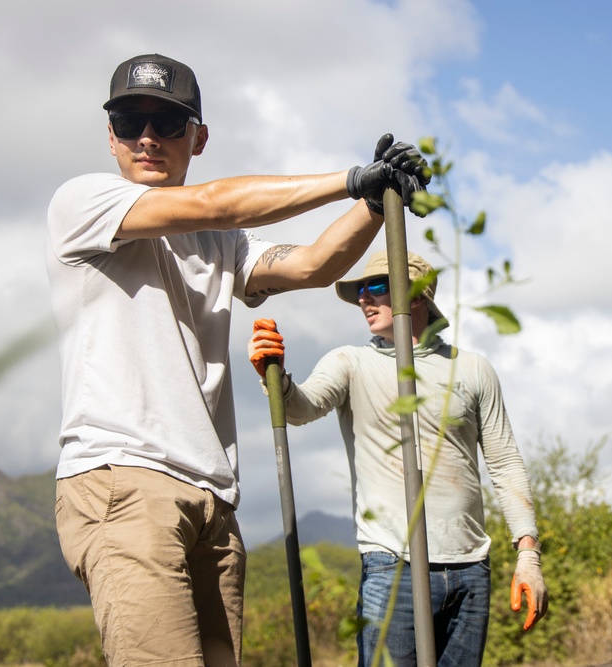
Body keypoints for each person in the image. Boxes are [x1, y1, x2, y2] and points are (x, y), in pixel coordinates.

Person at [44, 53, 428, 667]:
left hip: (212, 495)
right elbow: (217, 203)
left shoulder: (225, 243)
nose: (147, 137)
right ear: (109, 135)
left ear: (198, 137)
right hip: (125, 478)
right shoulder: (84, 202)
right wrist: (350, 177)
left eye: (168, 124)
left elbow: (313, 266)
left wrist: (377, 200)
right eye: (129, 121)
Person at [247, 251, 548, 666]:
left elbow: (505, 462)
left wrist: (528, 556)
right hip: (393, 567)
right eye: (359, 292)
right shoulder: (350, 362)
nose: (363, 301)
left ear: (418, 296)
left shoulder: (473, 369)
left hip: (471, 570)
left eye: (375, 288)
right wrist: (274, 376)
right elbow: (302, 408)